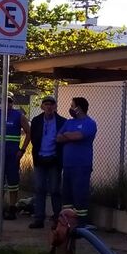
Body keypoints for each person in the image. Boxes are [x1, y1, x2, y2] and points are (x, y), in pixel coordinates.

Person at [0, 92, 30, 220]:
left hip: (12, 155)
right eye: (5, 101)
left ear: (13, 102)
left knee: (13, 181)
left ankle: (12, 208)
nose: (8, 103)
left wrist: (22, 150)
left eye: (10, 101)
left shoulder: (19, 115)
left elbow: (29, 133)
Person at [56, 97, 97, 227]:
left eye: (72, 105)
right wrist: (71, 135)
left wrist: (67, 135)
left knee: (80, 195)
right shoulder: (69, 122)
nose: (70, 108)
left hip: (82, 166)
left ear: (78, 108)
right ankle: (67, 223)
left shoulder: (90, 123)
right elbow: (58, 138)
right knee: (67, 197)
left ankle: (81, 225)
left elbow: (79, 136)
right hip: (67, 165)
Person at [28, 95, 66, 229]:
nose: (49, 107)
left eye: (51, 104)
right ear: (42, 106)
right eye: (46, 104)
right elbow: (33, 138)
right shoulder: (36, 120)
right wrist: (37, 155)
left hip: (54, 159)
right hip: (40, 159)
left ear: (55, 106)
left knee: (55, 190)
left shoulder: (62, 121)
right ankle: (39, 219)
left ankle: (57, 219)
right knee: (39, 189)